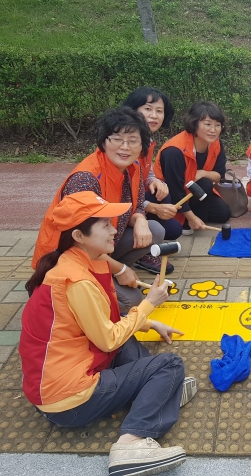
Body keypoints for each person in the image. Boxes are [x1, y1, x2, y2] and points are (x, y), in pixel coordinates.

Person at [20, 192, 197, 476]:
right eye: (105, 225)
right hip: (68, 402)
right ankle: (131, 442)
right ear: (78, 235)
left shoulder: (78, 261)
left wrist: (148, 323)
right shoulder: (77, 280)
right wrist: (149, 305)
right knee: (169, 364)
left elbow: (105, 322)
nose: (115, 230)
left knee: (130, 342)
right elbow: (108, 338)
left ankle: (158, 392)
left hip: (61, 380)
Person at [32, 107, 167, 309]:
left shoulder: (134, 167)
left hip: (101, 244)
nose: (125, 147)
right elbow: (77, 243)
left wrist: (140, 219)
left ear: (143, 146)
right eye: (117, 139)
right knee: (132, 301)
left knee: (154, 230)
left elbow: (137, 204)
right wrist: (120, 270)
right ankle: (77, 292)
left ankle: (106, 274)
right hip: (68, 258)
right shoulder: (86, 179)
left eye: (133, 140)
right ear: (103, 141)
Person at [154, 101, 232, 234]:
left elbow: (219, 175)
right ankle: (187, 221)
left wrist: (202, 173)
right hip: (168, 197)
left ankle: (195, 219)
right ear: (194, 124)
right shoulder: (174, 151)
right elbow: (174, 190)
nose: (213, 130)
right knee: (205, 185)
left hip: (192, 193)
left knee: (223, 214)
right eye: (207, 124)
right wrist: (191, 217)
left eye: (217, 125)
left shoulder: (216, 143)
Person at [122, 87, 183, 254]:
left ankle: (147, 233)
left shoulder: (146, 140)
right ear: (133, 110)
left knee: (173, 229)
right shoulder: (125, 146)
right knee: (160, 229)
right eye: (147, 109)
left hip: (136, 198)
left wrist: (154, 180)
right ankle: (141, 251)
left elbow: (145, 171)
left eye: (159, 111)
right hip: (117, 209)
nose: (154, 115)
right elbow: (121, 195)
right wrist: (153, 208)